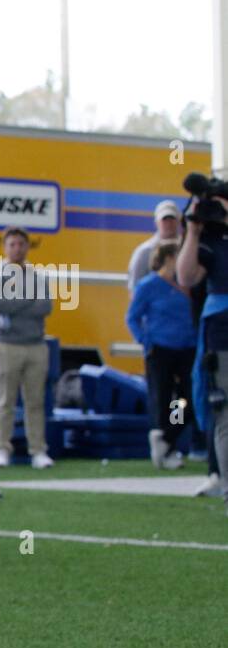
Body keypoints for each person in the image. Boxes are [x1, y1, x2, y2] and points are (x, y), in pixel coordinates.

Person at [177, 194, 228, 513]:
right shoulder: (210, 241)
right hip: (221, 329)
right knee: (224, 412)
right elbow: (185, 277)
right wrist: (193, 231)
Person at [128, 241, 197, 469]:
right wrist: (145, 342)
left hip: (187, 348)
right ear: (168, 258)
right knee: (162, 397)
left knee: (184, 398)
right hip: (160, 349)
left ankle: (166, 438)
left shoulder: (187, 285)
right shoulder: (149, 285)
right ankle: (167, 448)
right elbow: (133, 317)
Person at [0, 226, 53, 469]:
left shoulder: (38, 276)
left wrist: (17, 300)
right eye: (12, 244)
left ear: (27, 247)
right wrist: (27, 299)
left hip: (36, 345)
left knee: (35, 401)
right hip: (7, 345)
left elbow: (45, 307)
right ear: (5, 248)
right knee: (5, 400)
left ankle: (37, 450)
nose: (17, 249)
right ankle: (2, 449)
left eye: (21, 244)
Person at [127, 200, 182, 295]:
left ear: (178, 221)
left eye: (172, 218)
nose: (169, 223)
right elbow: (135, 287)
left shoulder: (186, 249)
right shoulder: (144, 251)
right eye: (164, 219)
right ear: (156, 222)